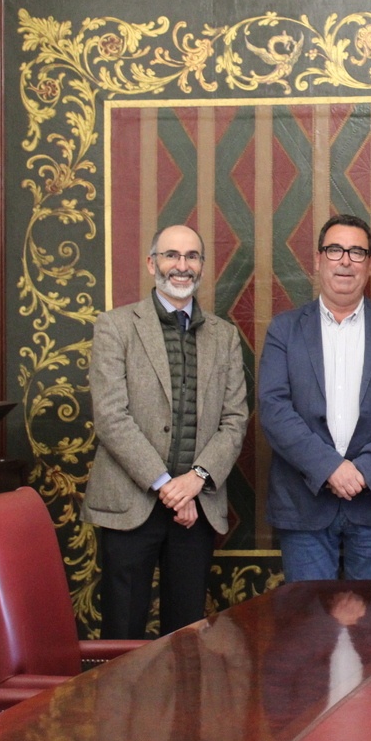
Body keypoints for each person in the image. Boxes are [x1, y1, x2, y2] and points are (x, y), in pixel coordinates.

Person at [86, 223, 249, 639]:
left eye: (192, 256)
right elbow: (111, 417)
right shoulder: (115, 326)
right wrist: (166, 486)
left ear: (202, 266)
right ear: (151, 263)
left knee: (187, 638)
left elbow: (235, 421)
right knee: (122, 634)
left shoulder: (225, 336)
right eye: (171, 255)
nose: (182, 265)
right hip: (130, 505)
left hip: (197, 508)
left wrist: (195, 480)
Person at [258, 213, 371, 581]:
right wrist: (329, 468)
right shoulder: (284, 329)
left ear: (370, 264)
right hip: (304, 503)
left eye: (356, 252)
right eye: (335, 250)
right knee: (308, 616)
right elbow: (274, 408)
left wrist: (364, 471)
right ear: (318, 260)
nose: (345, 261)